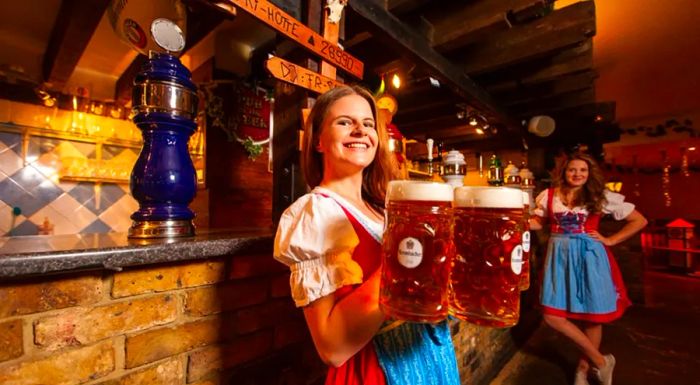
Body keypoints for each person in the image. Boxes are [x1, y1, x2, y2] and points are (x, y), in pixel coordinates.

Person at [274, 85, 460, 385]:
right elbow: (332, 347)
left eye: (369, 123)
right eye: (344, 122)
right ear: (318, 141)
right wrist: (404, 264)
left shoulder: (387, 209)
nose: (361, 130)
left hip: (432, 359)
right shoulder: (312, 214)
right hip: (376, 372)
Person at [529, 152, 648, 385]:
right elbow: (537, 222)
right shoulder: (549, 195)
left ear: (589, 173)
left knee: (592, 318)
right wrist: (516, 220)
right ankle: (602, 362)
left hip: (589, 257)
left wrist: (611, 240)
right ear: (564, 172)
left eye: (583, 170)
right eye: (572, 169)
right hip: (559, 259)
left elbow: (639, 220)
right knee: (552, 316)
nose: (577, 174)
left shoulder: (599, 195)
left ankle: (582, 370)